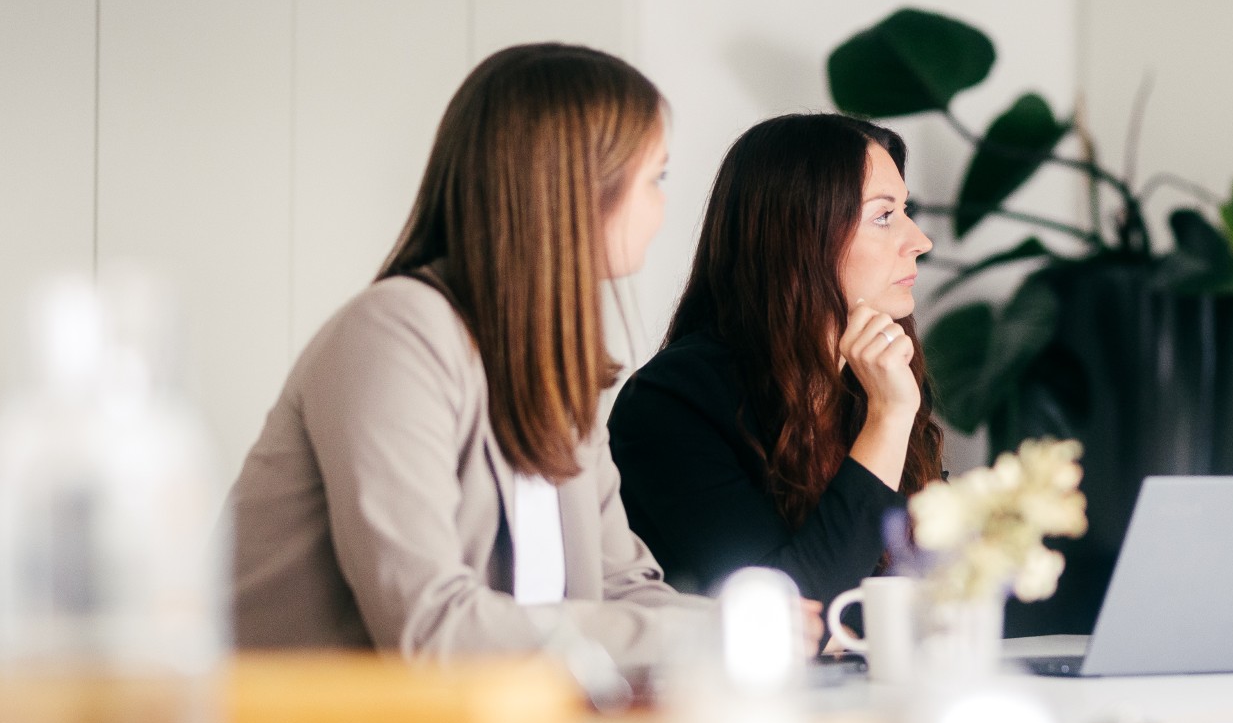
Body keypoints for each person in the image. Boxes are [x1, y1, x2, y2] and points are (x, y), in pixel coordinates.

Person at [229, 43, 751, 677]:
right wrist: (701, 639)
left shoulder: (555, 370)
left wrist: (753, 626)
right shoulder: (397, 330)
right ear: (578, 187)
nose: (664, 207)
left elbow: (622, 587)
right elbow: (432, 627)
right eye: (656, 178)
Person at [608, 113, 942, 605]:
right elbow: (787, 613)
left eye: (905, 211)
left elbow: (935, 590)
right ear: (801, 235)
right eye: (884, 216)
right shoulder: (668, 403)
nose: (920, 242)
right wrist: (888, 421)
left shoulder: (872, 380)